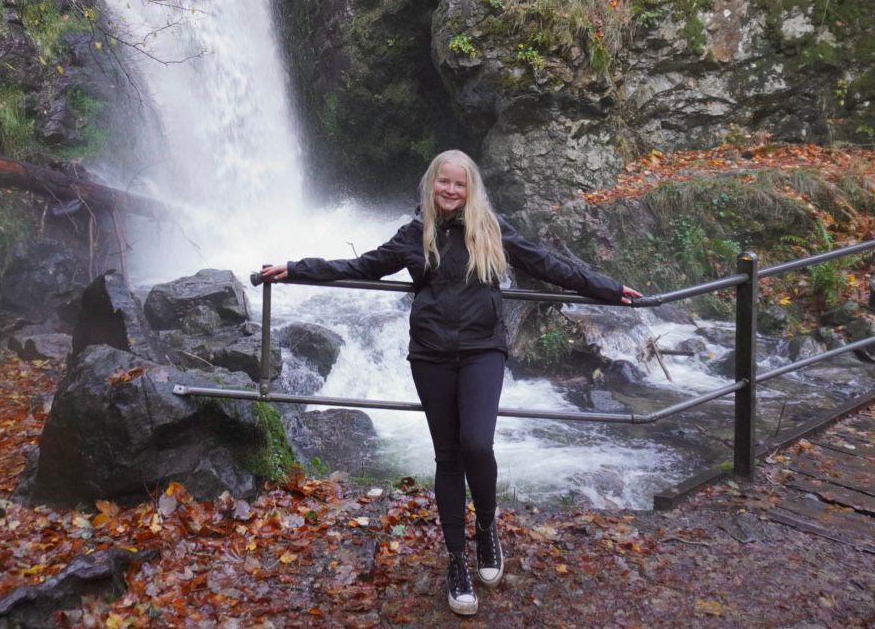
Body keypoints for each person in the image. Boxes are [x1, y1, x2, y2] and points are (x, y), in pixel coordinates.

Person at [261, 149, 643, 617]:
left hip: (483, 350)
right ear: (432, 183)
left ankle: (486, 530)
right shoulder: (412, 235)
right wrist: (295, 269)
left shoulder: (490, 229)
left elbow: (548, 265)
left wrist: (607, 288)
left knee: (477, 445)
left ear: (470, 188)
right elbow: (359, 267)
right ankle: (457, 561)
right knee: (447, 457)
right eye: (444, 182)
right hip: (431, 355)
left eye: (459, 184)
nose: (450, 190)